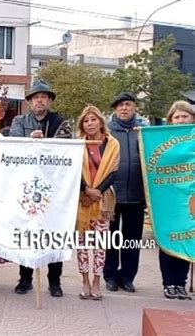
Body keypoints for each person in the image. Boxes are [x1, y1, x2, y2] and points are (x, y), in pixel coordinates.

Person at [9, 79, 72, 297]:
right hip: (26, 185)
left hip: (53, 187)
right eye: (36, 97)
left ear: (49, 101)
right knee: (27, 231)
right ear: (29, 101)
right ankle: (25, 278)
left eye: (44, 97)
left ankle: (55, 281)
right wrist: (30, 140)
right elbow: (13, 144)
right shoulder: (19, 120)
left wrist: (47, 143)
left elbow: (66, 150)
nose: (39, 100)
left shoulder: (61, 122)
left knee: (54, 231)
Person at [75, 105, 120, 300]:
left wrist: (97, 191)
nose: (90, 123)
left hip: (103, 201)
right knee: (82, 244)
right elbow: (73, 170)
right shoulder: (77, 144)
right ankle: (84, 280)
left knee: (100, 244)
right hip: (81, 199)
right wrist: (86, 189)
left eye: (93, 119)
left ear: (100, 121)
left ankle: (96, 281)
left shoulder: (112, 144)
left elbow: (114, 172)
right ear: (82, 125)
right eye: (86, 121)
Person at [103, 92, 145, 293]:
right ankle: (110, 275)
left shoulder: (144, 132)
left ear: (134, 107)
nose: (124, 108)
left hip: (136, 195)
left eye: (127, 104)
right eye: (119, 105)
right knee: (110, 237)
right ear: (114, 110)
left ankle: (128, 276)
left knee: (132, 239)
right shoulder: (107, 132)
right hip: (111, 194)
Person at [159, 100, 194, 300]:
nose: (180, 120)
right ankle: (168, 282)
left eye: (185, 116)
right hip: (167, 197)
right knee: (168, 238)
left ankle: (180, 282)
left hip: (189, 197)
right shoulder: (161, 141)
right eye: (177, 117)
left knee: (187, 238)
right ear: (170, 120)